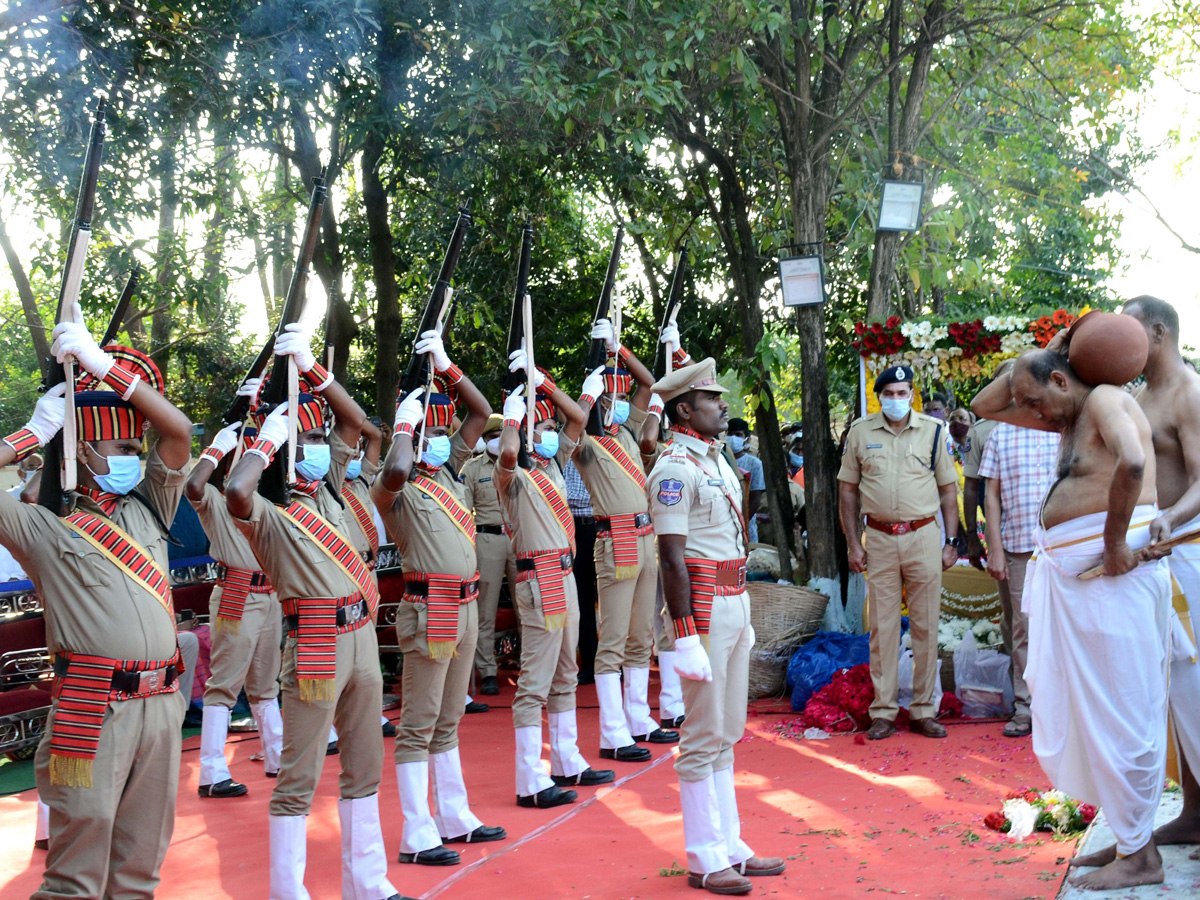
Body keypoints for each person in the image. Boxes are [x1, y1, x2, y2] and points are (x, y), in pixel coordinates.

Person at [0, 328, 193, 900]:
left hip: (161, 706)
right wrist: (33, 433)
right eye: (125, 450)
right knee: (74, 879)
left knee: (139, 872)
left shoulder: (150, 506)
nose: (138, 458)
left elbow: (178, 430)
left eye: (138, 450)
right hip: (92, 705)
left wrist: (103, 366)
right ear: (80, 450)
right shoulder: (42, 525)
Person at [972, 345, 1170, 891]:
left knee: (1122, 714)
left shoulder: (1105, 399)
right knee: (1093, 717)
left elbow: (1131, 461)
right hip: (1078, 587)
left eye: (1038, 401)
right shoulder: (1065, 410)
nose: (1034, 414)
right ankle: (1133, 840)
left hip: (1112, 582)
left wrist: (1111, 546)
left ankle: (1141, 857)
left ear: (1062, 381)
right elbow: (985, 404)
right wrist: (1036, 354)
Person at [225, 325, 404, 900]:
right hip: (317, 643)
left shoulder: (331, 492)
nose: (326, 444)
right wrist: (267, 438)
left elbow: (359, 426)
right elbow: (236, 491)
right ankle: (288, 891)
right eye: (309, 439)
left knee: (365, 768)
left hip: (360, 637)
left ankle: (367, 883)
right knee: (300, 777)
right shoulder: (271, 515)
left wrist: (312, 371)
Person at [1070, 296, 1200, 869]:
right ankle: (1194, 814)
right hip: (1153, 562)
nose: (1117, 336)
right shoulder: (1135, 395)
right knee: (1169, 696)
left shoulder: (1189, 391)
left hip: (1189, 555)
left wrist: (1172, 516)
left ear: (1156, 332)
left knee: (1195, 690)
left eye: (1127, 326)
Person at [648, 357, 785, 896]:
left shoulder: (717, 460)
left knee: (728, 733)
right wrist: (683, 635)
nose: (723, 404)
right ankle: (704, 856)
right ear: (685, 409)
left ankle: (730, 843)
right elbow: (672, 559)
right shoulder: (674, 469)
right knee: (703, 735)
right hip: (702, 607)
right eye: (712, 398)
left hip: (733, 599)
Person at [372, 329, 506, 866]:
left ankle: (453, 814)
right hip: (430, 609)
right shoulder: (394, 487)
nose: (445, 435)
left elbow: (481, 410)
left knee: (449, 718)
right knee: (420, 721)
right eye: (430, 430)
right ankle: (416, 829)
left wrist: (446, 366)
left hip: (465, 604)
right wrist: (405, 420)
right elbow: (398, 466)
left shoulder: (450, 474)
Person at [495, 352, 615, 807]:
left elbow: (579, 416)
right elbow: (508, 449)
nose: (549, 436)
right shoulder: (513, 476)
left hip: (564, 574)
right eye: (540, 431)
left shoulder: (552, 467)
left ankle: (567, 759)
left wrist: (539, 380)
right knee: (536, 679)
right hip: (537, 579)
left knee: (567, 671)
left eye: (549, 430)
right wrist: (513, 407)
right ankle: (530, 778)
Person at [573, 318, 678, 761]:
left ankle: (637, 715)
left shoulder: (628, 435)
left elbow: (653, 386)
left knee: (640, 637)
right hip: (614, 541)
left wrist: (621, 350)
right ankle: (612, 729)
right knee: (612, 638)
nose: (616, 401)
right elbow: (574, 427)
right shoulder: (587, 443)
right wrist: (586, 392)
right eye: (608, 396)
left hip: (644, 536)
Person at [837, 365, 959, 741]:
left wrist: (951, 541)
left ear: (912, 393)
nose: (895, 399)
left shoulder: (934, 432)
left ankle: (924, 710)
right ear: (879, 396)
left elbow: (948, 491)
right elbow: (847, 492)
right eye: (888, 393)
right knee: (883, 629)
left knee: (926, 625)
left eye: (902, 392)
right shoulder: (860, 432)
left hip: (923, 535)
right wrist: (853, 543)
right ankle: (884, 712)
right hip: (879, 538)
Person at [186, 400, 285, 797]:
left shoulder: (264, 501)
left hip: (270, 592)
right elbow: (194, 484)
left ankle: (276, 754)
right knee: (225, 683)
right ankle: (211, 770)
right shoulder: (215, 499)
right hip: (236, 594)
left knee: (265, 682)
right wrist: (215, 447)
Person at [977, 422, 1060, 737]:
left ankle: (1062, 709)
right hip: (1019, 546)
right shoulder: (1001, 434)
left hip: (1063, 544)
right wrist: (994, 549)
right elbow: (992, 496)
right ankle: (1026, 710)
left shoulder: (1064, 426)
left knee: (1065, 627)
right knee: (1023, 630)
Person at [460, 413, 519, 696]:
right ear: (484, 440)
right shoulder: (471, 469)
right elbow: (462, 511)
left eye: (501, 436)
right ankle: (488, 671)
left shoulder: (521, 461)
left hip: (520, 537)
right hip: (487, 538)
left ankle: (530, 664)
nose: (497, 442)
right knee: (486, 609)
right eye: (492, 437)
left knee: (528, 604)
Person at [563, 459, 598, 685]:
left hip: (601, 526)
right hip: (573, 529)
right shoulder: (561, 454)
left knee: (612, 600)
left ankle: (614, 662)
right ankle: (589, 663)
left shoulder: (603, 450)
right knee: (582, 600)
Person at [961, 417, 999, 569]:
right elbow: (971, 486)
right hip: (997, 529)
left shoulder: (1045, 422)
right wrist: (972, 538)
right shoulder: (980, 430)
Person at [724, 418, 765, 544]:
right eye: (730, 434)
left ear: (747, 438)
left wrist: (741, 522)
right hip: (722, 523)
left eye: (738, 435)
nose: (733, 438)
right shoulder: (721, 459)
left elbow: (755, 499)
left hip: (746, 523)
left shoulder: (755, 464)